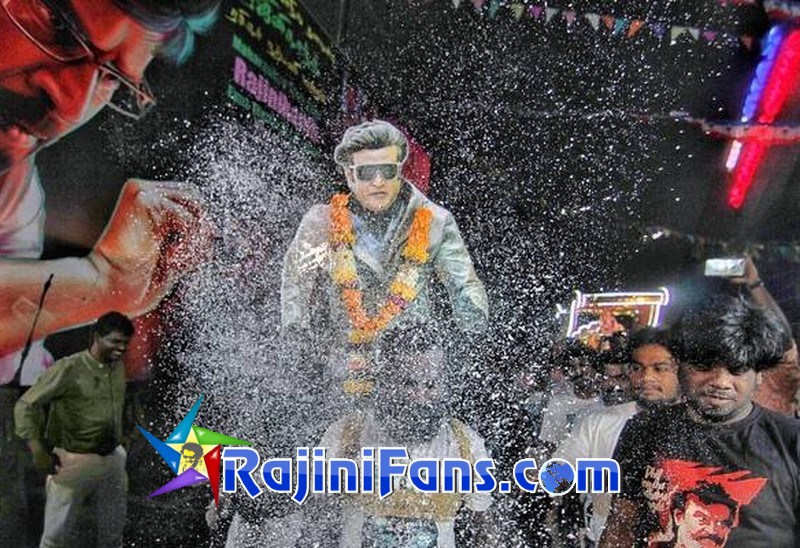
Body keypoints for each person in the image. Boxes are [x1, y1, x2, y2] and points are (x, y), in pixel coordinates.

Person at [0, 2, 218, 542]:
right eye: (58, 27)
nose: (72, 101)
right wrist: (96, 284)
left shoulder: (14, 183)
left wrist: (104, 283)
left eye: (112, 78)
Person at [281, 119, 488, 403]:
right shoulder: (321, 222)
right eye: (367, 172)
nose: (378, 181)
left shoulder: (435, 222)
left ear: (400, 170)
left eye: (387, 171)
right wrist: (296, 336)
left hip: (411, 375)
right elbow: (296, 282)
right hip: (345, 368)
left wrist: (473, 331)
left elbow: (463, 283)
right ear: (349, 174)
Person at [601, 295, 799, 548]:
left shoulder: (791, 441)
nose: (720, 382)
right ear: (680, 366)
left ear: (758, 375)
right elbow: (621, 527)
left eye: (737, 369)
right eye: (705, 367)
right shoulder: (644, 429)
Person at [299, 325, 493, 547]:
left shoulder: (464, 444)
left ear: (444, 384)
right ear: (385, 381)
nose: (420, 396)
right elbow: (313, 518)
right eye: (408, 383)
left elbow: (482, 528)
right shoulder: (346, 435)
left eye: (431, 385)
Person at [14, 312, 135, 548]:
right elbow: (25, 405)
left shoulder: (117, 367)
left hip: (113, 459)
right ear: (97, 337)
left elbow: (122, 404)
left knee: (113, 535)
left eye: (125, 343)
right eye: (115, 341)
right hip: (73, 460)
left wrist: (126, 437)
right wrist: (37, 449)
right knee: (55, 538)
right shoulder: (69, 368)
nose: (121, 348)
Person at [555, 328, 680, 546]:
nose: (647, 378)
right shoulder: (598, 421)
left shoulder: (701, 429)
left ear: (681, 370)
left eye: (660, 368)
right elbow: (558, 473)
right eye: (637, 368)